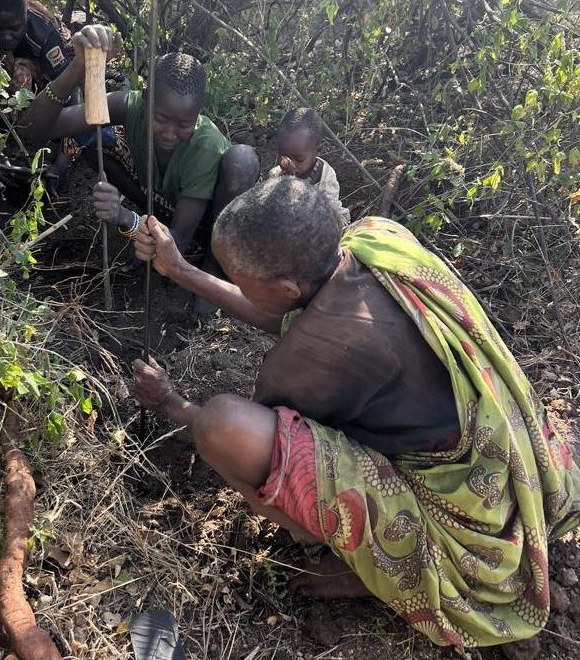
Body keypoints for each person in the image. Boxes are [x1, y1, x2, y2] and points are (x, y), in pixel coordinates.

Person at [130, 176, 580, 652]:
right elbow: (290, 312)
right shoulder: (374, 238)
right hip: (510, 452)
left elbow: (261, 446)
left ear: (286, 286)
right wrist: (177, 268)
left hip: (466, 528)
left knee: (225, 426)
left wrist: (172, 405)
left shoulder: (307, 364)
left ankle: (376, 569)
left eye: (242, 280)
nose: (239, 286)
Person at [19, 25, 260, 272]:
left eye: (183, 124)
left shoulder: (204, 147)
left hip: (208, 223)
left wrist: (125, 217)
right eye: (160, 118)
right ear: (146, 99)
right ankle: (153, 228)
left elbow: (180, 241)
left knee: (242, 158)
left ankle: (215, 264)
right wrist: (78, 67)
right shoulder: (129, 106)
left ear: (197, 114)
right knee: (93, 138)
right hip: (165, 207)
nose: (169, 133)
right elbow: (32, 128)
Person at [269, 107, 350, 229]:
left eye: (299, 159)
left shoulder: (325, 177)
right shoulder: (277, 174)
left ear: (317, 151)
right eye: (283, 157)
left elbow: (327, 213)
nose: (290, 164)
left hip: (323, 219)